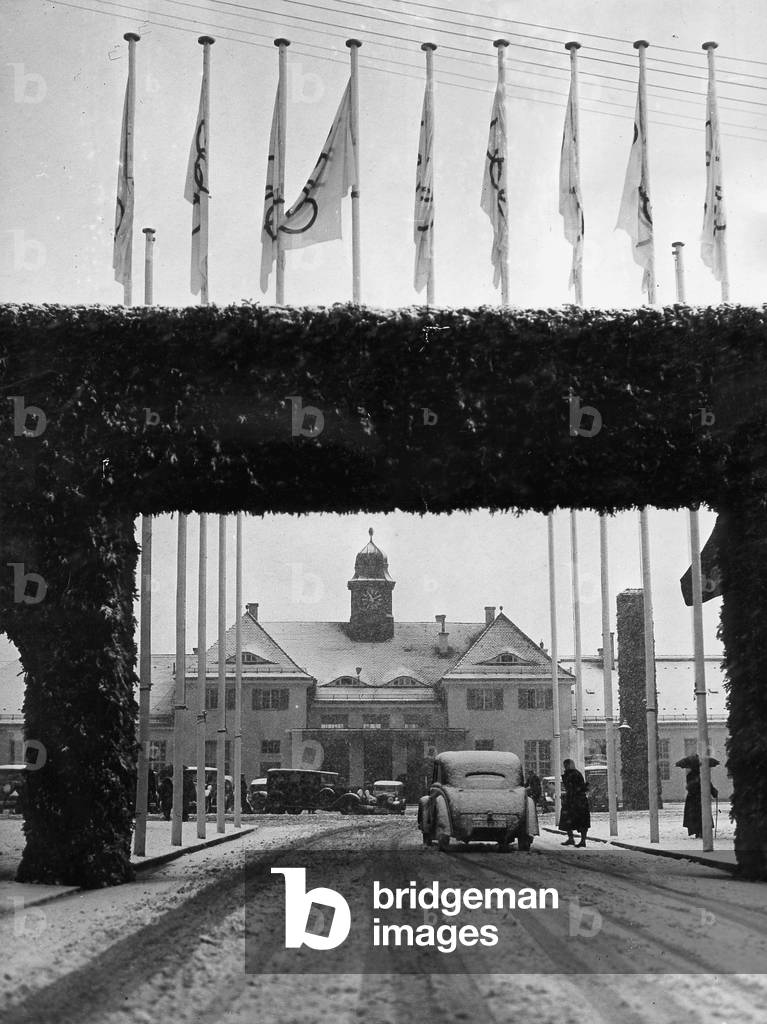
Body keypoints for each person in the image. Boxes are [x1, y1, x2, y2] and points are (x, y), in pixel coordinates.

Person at [558, 759, 590, 848]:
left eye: (566, 765)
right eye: (565, 765)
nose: (565, 767)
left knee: (579, 821)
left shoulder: (573, 774)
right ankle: (574, 839)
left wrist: (569, 795)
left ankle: (580, 840)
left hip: (576, 801)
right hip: (576, 801)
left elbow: (575, 788)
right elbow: (575, 788)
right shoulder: (572, 774)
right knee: (575, 820)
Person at [683, 762, 718, 838]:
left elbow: (708, 784)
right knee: (699, 816)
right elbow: (691, 787)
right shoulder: (695, 775)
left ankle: (699, 831)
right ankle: (699, 831)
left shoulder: (699, 775)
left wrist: (713, 791)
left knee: (697, 816)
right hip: (697, 798)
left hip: (696, 799)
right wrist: (713, 792)